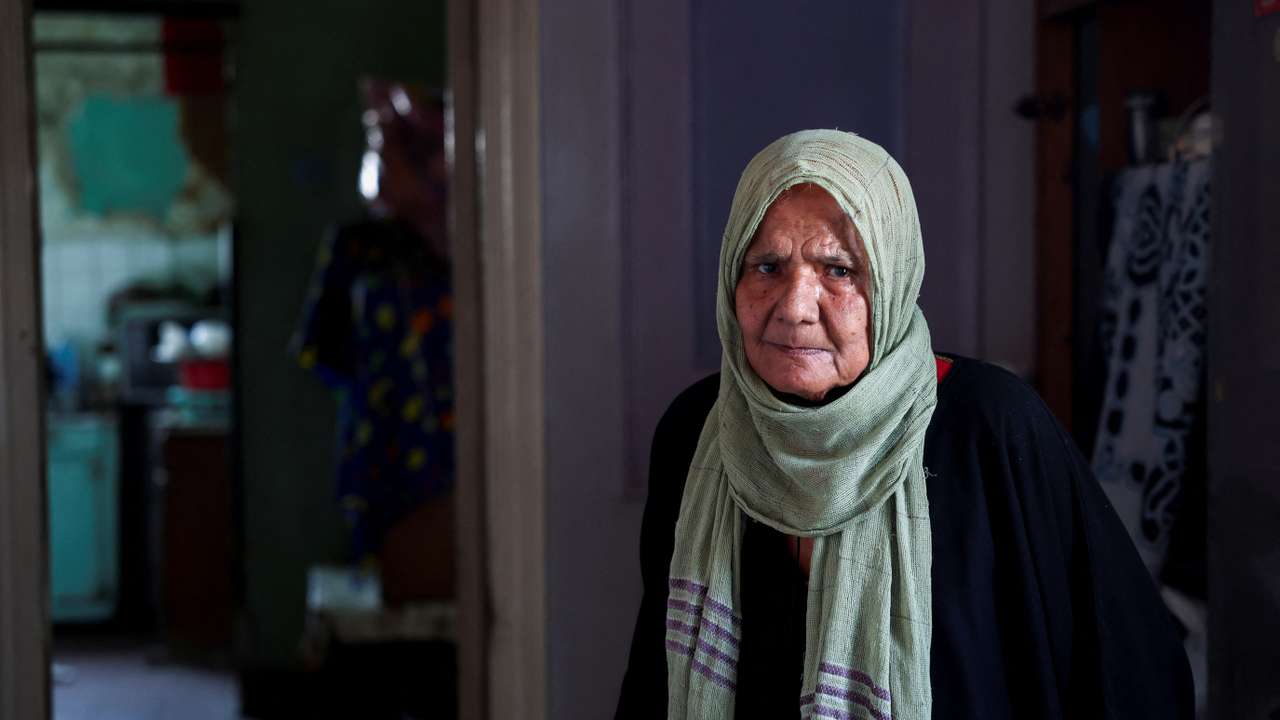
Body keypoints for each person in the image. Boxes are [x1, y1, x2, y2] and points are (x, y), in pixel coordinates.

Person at [615, 130, 1192, 719]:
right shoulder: (695, 432)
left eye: (838, 270)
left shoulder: (989, 428)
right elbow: (652, 680)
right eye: (767, 266)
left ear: (893, 279)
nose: (793, 306)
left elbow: (1132, 674)